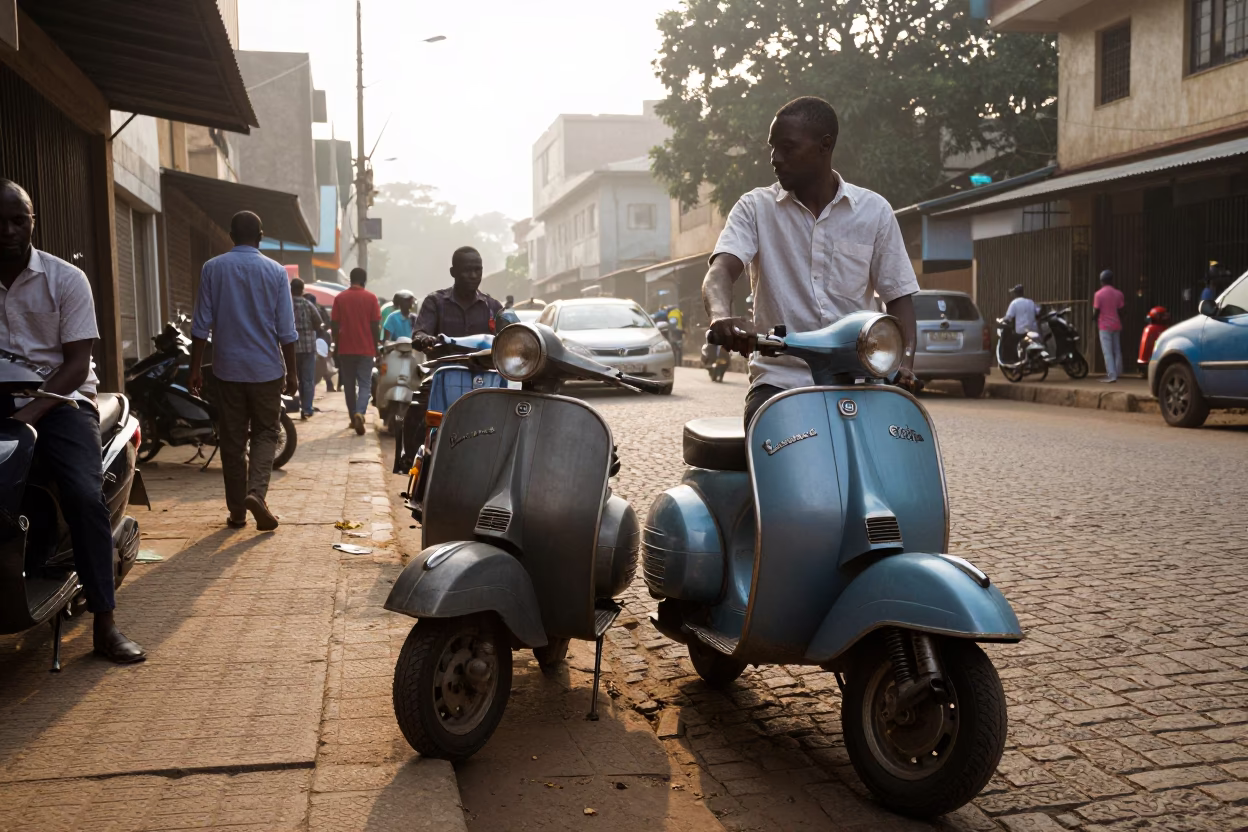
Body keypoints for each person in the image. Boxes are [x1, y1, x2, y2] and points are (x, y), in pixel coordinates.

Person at [702, 96, 920, 428]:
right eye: (772, 148)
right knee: (785, 476)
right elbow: (719, 272)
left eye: (787, 147)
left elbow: (899, 298)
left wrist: (902, 364)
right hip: (780, 385)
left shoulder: (874, 212)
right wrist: (721, 316)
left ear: (825, 145)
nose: (775, 159)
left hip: (861, 383)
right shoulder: (754, 208)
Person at [0, 179, 146, 663]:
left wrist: (29, 414)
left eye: (18, 219)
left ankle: (105, 623)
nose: (8, 230)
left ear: (32, 221)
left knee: (85, 498)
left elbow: (77, 364)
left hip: (62, 403)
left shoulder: (65, 279)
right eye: (0, 221)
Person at [189, 211, 298, 531]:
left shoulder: (213, 268)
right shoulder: (277, 272)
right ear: (260, 236)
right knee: (266, 433)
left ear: (231, 235)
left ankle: (237, 513)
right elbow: (286, 331)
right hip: (266, 370)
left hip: (227, 370)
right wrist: (292, 373)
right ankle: (256, 494)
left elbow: (200, 325)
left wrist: (195, 368)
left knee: (233, 441)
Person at [412, 246, 503, 354]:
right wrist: (424, 339)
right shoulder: (434, 302)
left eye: (477, 270)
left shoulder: (493, 306)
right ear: (453, 272)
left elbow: (514, 336)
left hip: (485, 369)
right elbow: (420, 332)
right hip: (445, 368)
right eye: (467, 270)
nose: (473, 275)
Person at [331, 267, 381, 435]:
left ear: (350, 280)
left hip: (345, 348)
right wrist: (376, 346)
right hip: (366, 348)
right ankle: (360, 411)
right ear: (364, 280)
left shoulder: (340, 298)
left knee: (349, 385)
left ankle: (354, 417)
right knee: (365, 383)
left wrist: (336, 346)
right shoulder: (371, 298)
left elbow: (335, 324)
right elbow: (375, 325)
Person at [290, 278, 326, 420]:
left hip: (290, 348)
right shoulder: (308, 304)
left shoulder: (285, 304)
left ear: (291, 289)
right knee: (308, 379)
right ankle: (306, 408)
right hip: (308, 347)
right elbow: (318, 323)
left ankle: (297, 405)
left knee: (294, 378)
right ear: (302, 289)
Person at [1093, 269, 1125, 383]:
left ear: (1101, 281)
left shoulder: (1098, 294)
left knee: (1107, 351)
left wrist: (1093, 320)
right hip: (1116, 325)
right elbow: (1121, 311)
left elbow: (1096, 311)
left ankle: (1111, 375)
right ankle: (1118, 372)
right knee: (1117, 349)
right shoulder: (1119, 294)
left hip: (1104, 326)